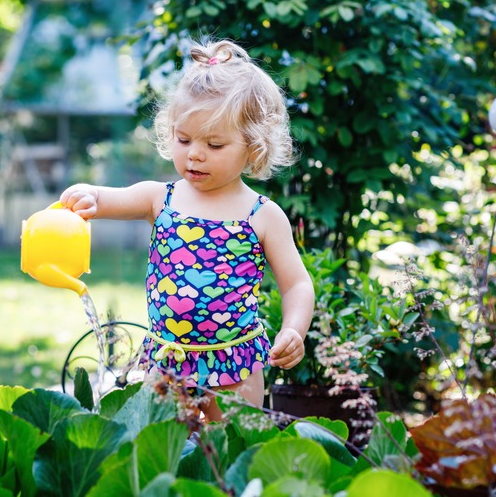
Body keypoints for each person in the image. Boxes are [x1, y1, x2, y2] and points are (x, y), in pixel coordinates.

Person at [59, 39, 315, 421]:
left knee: (230, 450)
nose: (194, 153)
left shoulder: (262, 215)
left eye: (214, 144)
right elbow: (112, 198)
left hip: (236, 364)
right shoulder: (160, 199)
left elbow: (297, 284)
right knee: (159, 447)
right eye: (184, 139)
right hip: (167, 360)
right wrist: (90, 196)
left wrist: (294, 329)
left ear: (252, 147)